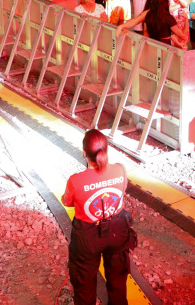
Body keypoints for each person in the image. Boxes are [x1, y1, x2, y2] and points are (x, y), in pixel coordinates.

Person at [62, 129, 134, 305]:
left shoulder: (76, 180)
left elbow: (67, 202)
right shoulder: (120, 170)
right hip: (117, 231)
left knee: (84, 283)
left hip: (87, 237)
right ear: (107, 150)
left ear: (84, 152)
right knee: (118, 281)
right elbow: (121, 192)